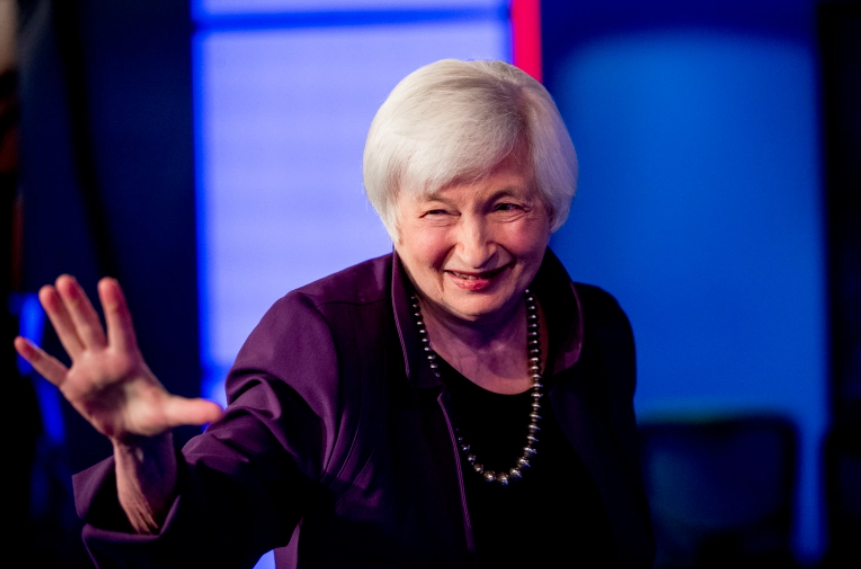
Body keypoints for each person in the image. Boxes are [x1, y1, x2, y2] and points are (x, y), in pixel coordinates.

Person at [15, 59, 654, 568]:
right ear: (393, 219)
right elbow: (208, 530)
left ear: (552, 207)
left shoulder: (592, 326)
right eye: (438, 210)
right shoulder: (320, 338)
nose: (475, 246)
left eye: (506, 205)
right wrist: (141, 456)